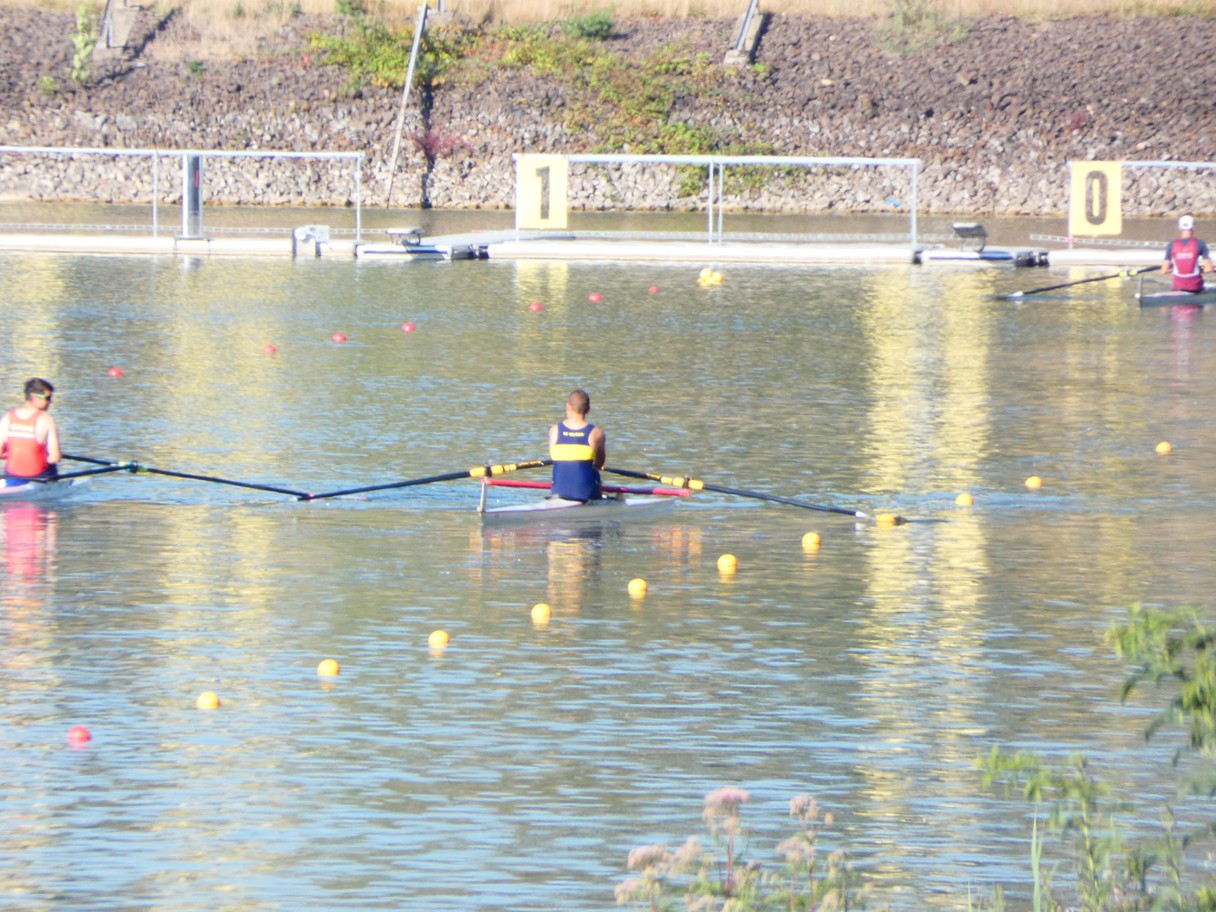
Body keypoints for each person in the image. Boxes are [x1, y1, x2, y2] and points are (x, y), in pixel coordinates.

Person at [549, 389, 605, 502]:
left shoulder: (554, 430)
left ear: (567, 406)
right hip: (586, 494)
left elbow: (554, 459)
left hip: (558, 493)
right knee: (594, 472)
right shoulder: (597, 433)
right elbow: (599, 464)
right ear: (588, 410)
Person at [0, 378, 62, 480]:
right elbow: (55, 458)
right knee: (51, 464)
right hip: (39, 478)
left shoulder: (7, 417)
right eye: (48, 398)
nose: (50, 401)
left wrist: (15, 453)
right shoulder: (47, 419)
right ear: (34, 397)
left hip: (11, 477)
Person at [1162, 215, 1214, 293]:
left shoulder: (1171, 245)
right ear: (1194, 228)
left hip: (1177, 287)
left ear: (1179, 228)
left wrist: (1173, 268)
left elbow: (1164, 270)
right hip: (1196, 288)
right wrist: (1201, 269)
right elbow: (1208, 269)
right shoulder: (1200, 243)